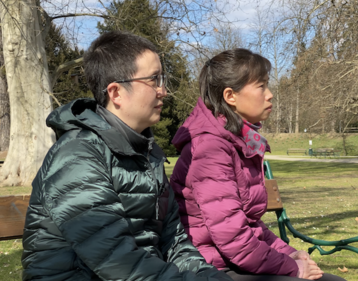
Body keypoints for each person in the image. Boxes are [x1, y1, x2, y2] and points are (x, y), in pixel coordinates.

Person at [21, 31, 232, 281]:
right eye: (154, 79)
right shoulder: (77, 155)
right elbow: (116, 260)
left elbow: (174, 242)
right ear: (116, 92)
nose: (163, 91)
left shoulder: (146, 152)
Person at [170, 49, 346, 281]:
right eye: (261, 86)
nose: (270, 94)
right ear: (230, 96)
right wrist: (293, 268)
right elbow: (233, 240)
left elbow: (251, 225)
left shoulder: (237, 142)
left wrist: (290, 254)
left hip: (234, 260)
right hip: (210, 267)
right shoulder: (210, 148)